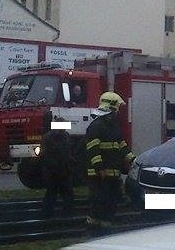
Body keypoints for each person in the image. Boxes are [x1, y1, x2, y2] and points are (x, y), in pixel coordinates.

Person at [85, 91, 134, 234]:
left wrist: (132, 159)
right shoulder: (96, 126)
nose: (119, 112)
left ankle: (105, 230)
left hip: (112, 174)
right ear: (113, 107)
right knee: (98, 202)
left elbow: (121, 145)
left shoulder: (113, 126)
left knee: (111, 202)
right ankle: (92, 230)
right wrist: (99, 168)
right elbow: (93, 149)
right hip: (98, 175)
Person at [40, 127, 75, 217]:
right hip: (54, 170)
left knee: (58, 193)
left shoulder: (50, 136)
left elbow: (67, 152)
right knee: (54, 193)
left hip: (60, 170)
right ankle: (50, 214)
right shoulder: (59, 137)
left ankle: (54, 214)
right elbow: (46, 155)